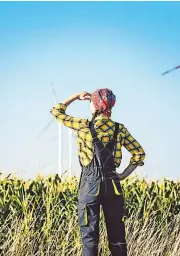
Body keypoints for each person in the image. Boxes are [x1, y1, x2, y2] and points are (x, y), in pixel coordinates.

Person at [50, 88, 146, 256]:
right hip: (113, 184)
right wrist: (123, 175)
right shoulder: (119, 129)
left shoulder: (82, 125)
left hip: (89, 185)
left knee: (90, 241)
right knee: (117, 240)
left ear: (94, 106)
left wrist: (76, 96)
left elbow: (56, 111)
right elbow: (139, 153)